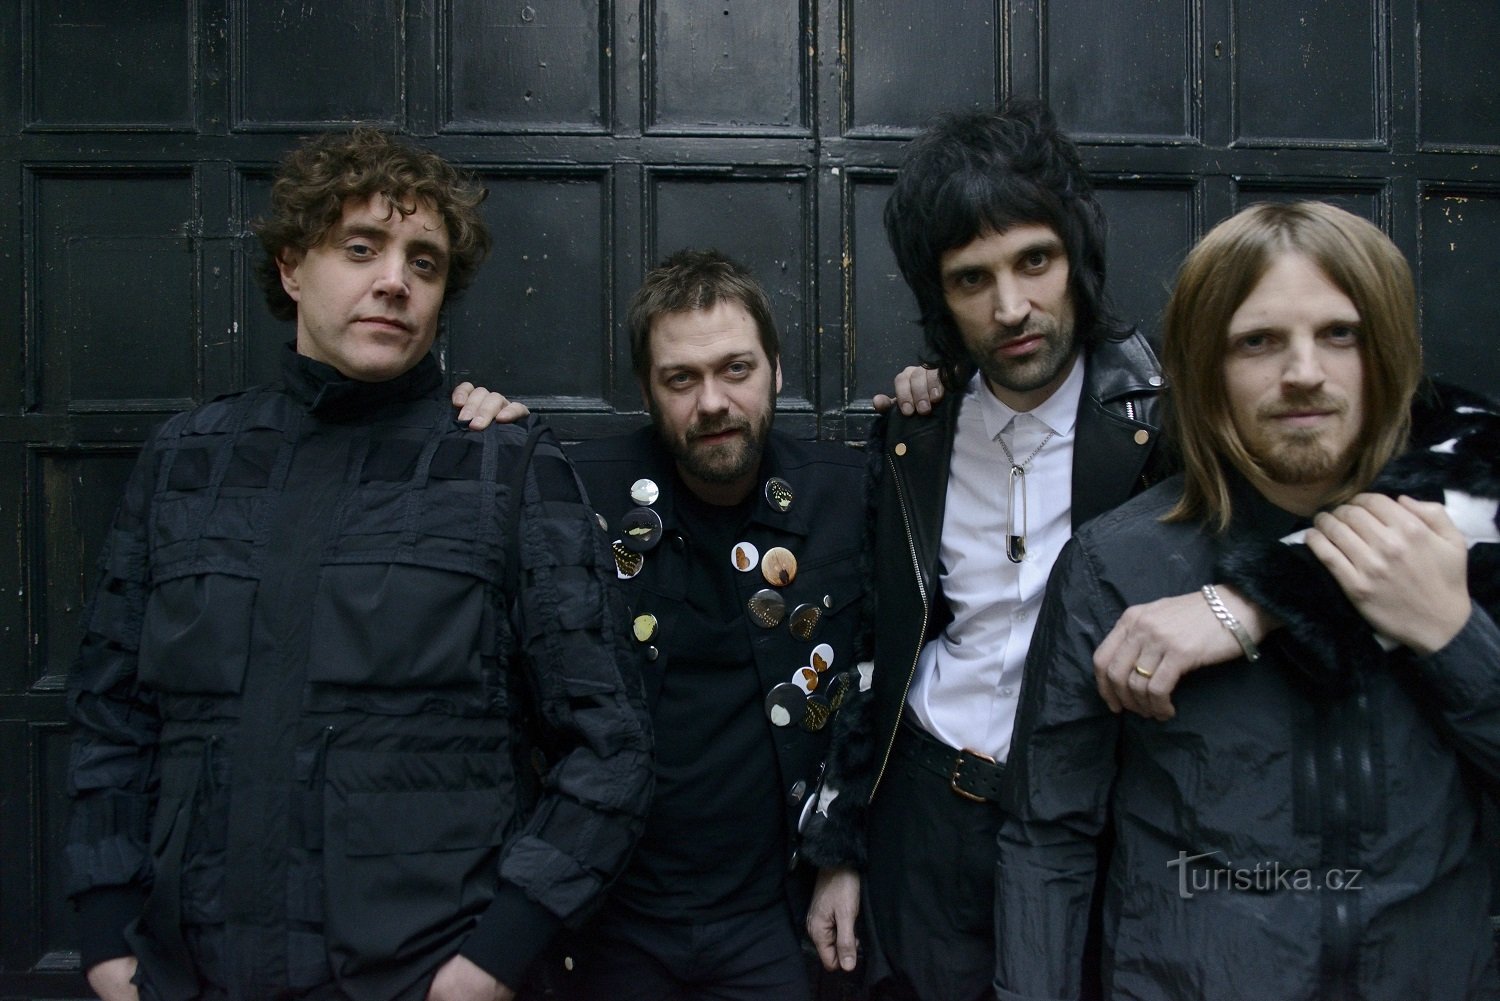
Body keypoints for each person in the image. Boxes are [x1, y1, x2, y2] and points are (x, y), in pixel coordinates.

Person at [63, 127, 652, 1001]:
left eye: (425, 262)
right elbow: (111, 719)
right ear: (293, 268)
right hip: (191, 974)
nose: (395, 280)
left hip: (421, 975)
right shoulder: (185, 461)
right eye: (362, 248)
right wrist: (107, 939)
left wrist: (493, 960)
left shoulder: (508, 463)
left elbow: (610, 743)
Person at [994, 200, 1500, 1000]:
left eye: (1340, 333)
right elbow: (1047, 837)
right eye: (1258, 341)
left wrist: (1451, 632)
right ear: (1207, 367)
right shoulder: (1116, 563)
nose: (1304, 372)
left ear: (1387, 353)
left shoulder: (1468, 541)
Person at [797, 101, 1171, 1001]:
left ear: (1077, 255)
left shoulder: (1165, 421)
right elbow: (873, 647)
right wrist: (842, 844)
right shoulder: (915, 436)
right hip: (925, 815)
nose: (1011, 307)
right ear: (939, 297)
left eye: (1034, 261)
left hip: (1094, 829)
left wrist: (1235, 609)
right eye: (972, 279)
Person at [457, 249, 869, 1000]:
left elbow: (894, 680)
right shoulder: (570, 487)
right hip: (609, 917)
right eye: (681, 379)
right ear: (647, 391)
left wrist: (844, 850)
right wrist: (473, 431)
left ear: (776, 371)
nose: (712, 402)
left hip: (772, 918)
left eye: (736, 369)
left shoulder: (848, 495)